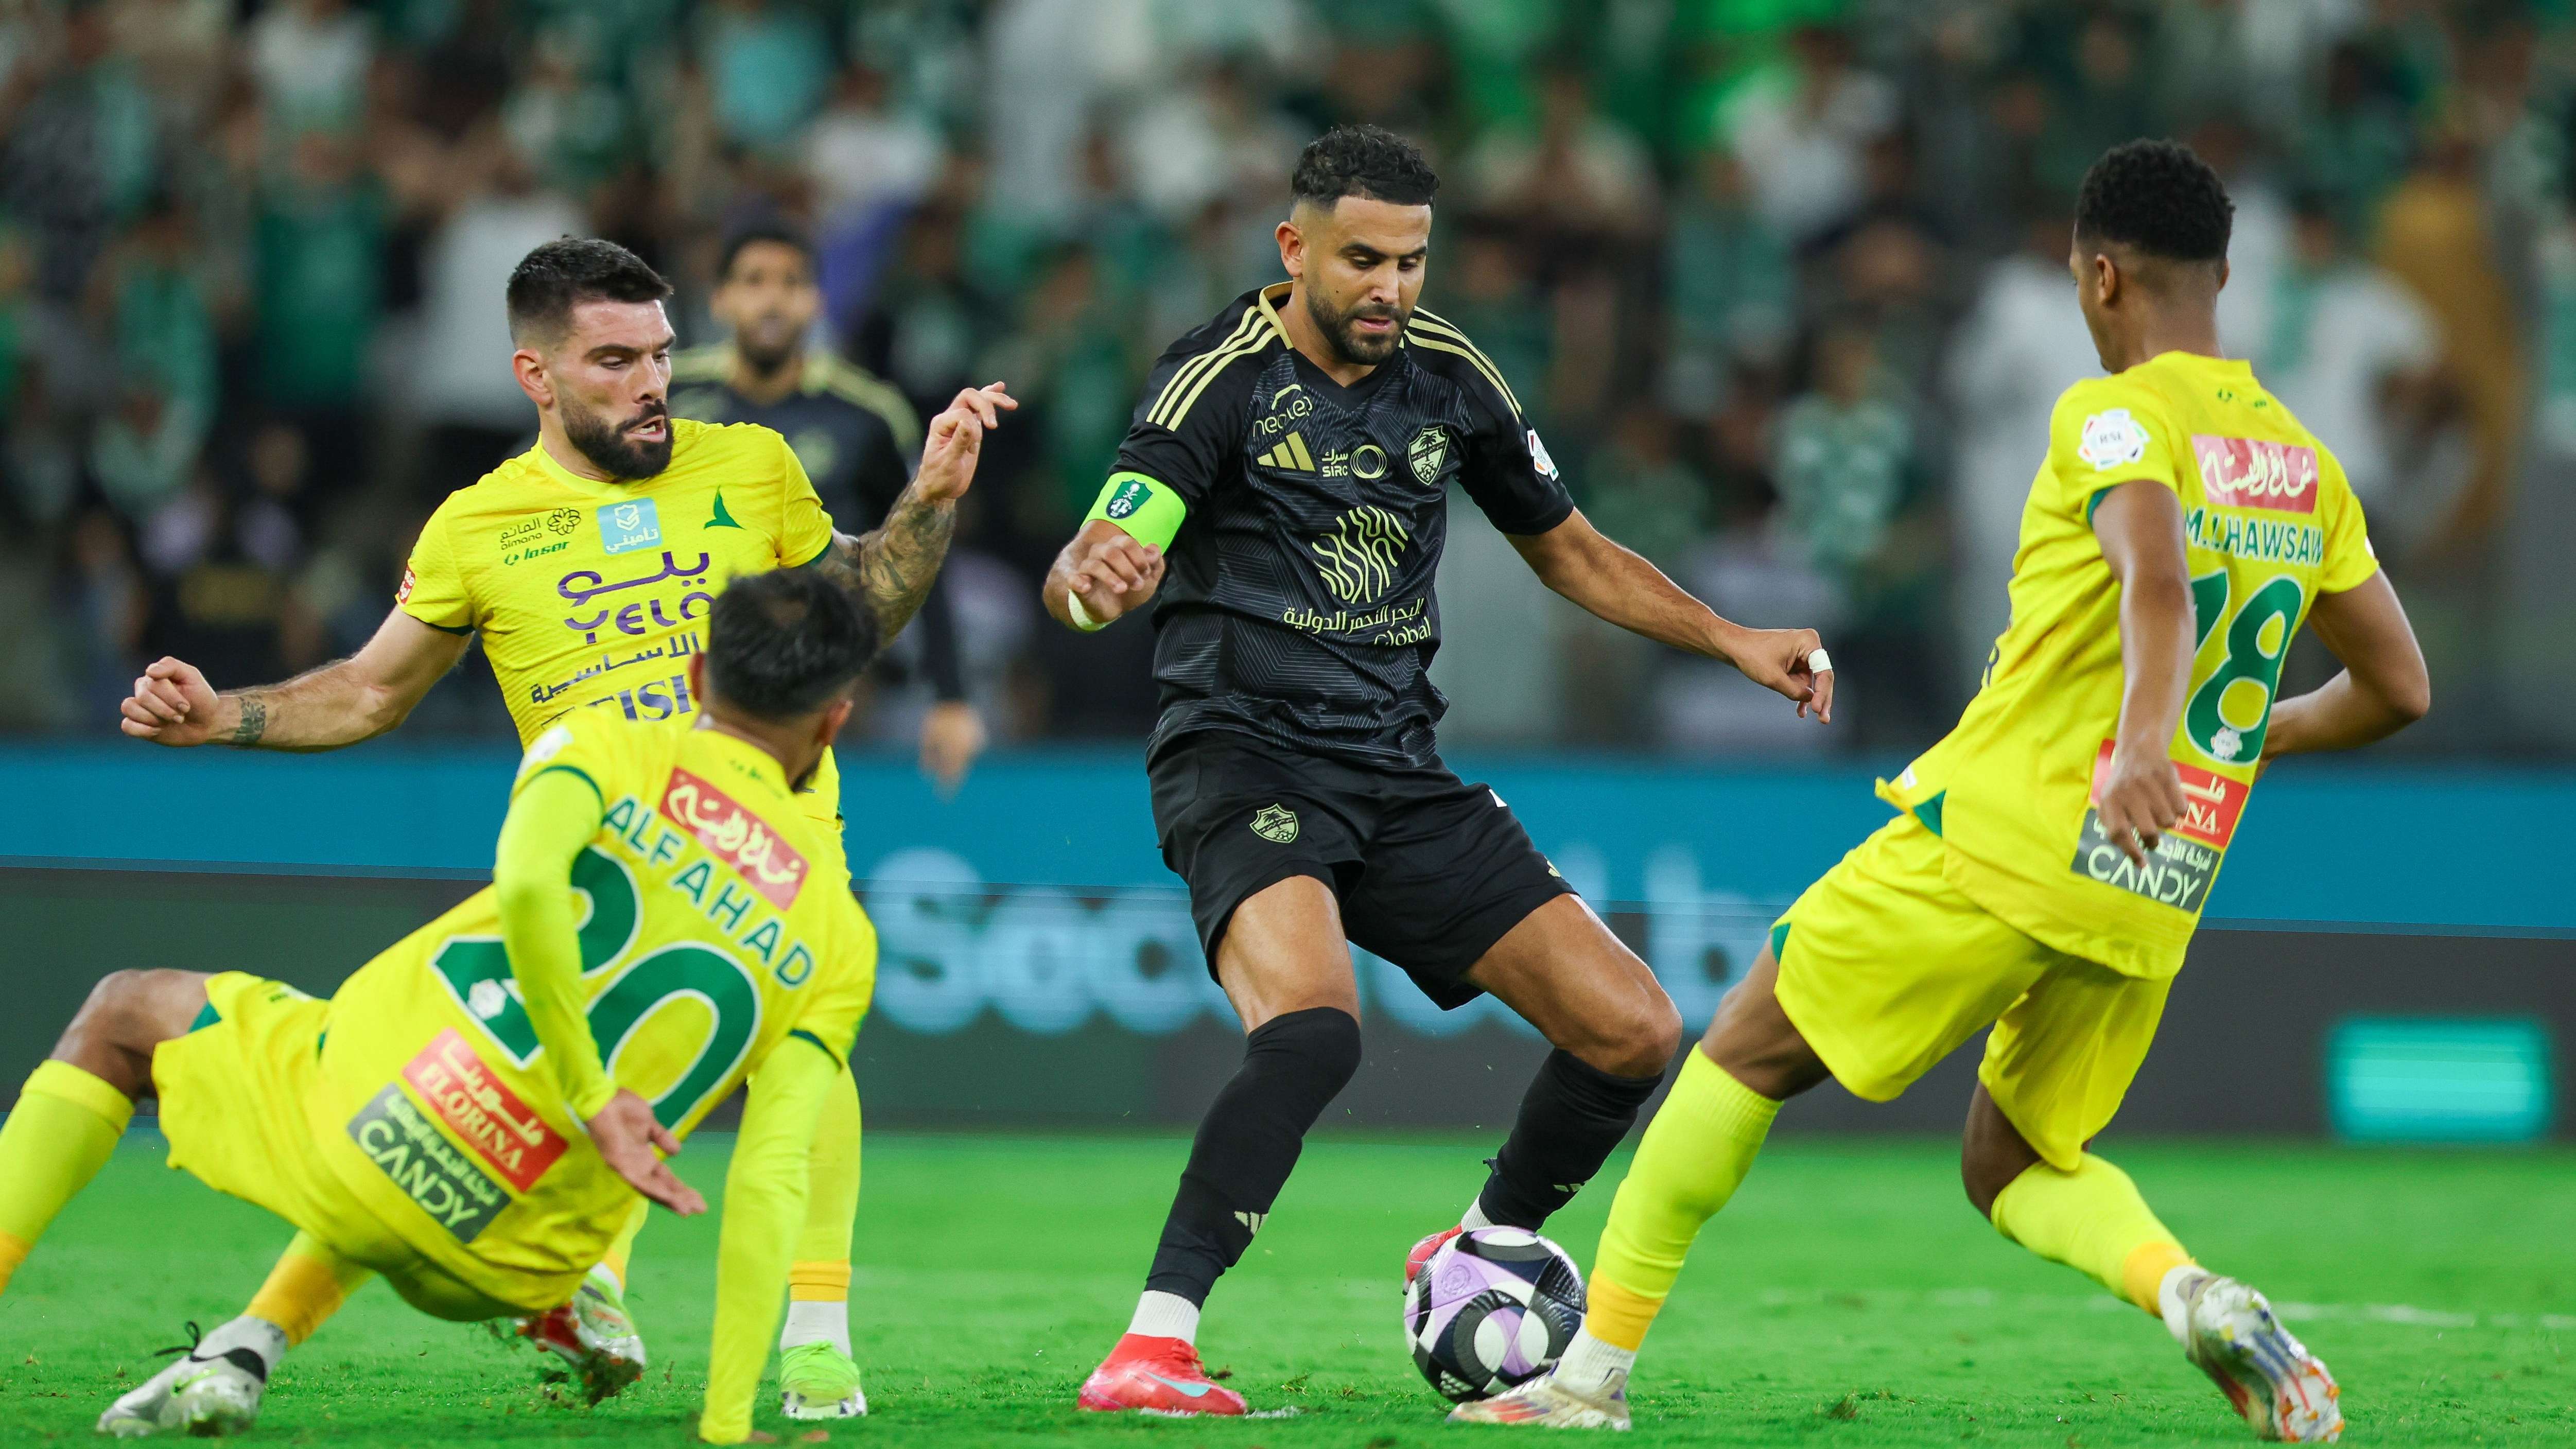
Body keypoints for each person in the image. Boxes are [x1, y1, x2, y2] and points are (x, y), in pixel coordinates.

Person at [1456, 139, 2430, 1441]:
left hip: (2007, 829)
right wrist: (2225, 749)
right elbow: (2395, 689)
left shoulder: (2113, 413)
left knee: (1739, 1048)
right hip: (2154, 877)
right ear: (2222, 274)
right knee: (2012, 1161)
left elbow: (2149, 576)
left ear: (2098, 277)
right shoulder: (2302, 467)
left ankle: (1582, 1383)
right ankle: (2189, 1293)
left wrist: (2144, 738)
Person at [116, 237, 1014, 1425]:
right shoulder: (477, 525)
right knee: (426, 1131)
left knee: (804, 1069)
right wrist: (224, 716)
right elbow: (374, 691)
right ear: (535, 376)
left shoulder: (751, 466)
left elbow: (859, 610)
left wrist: (929, 504)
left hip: (768, 847)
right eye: (613, 360)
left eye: (657, 353)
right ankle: (295, 1335)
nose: (651, 381)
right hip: (591, 876)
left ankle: (809, 1339)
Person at [1042, 124, 1837, 1417]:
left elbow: (1569, 551)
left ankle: (1482, 1241)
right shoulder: (1214, 380)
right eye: (1361, 259)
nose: (1389, 289)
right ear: (1292, 248)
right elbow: (1099, 557)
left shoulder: (1451, 377)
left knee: (1631, 1029)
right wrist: (1089, 583)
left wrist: (1727, 638)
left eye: (1411, 260)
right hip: (1241, 751)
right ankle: (1153, 1343)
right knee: (1308, 1030)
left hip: (1395, 767)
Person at [2, 568, 880, 1445]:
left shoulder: (605, 743)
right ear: (834, 719)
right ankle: (248, 1348)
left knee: (129, 1012)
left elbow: (533, 885)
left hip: (365, 1136)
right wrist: (727, 1426)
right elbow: (771, 1177)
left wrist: (584, 1088)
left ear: (694, 679)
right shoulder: (841, 937)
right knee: (435, 1116)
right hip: (518, 1262)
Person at [671, 222, 989, 791]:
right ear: (720, 298)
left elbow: (919, 547)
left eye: (791, 282)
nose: (772, 298)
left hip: (828, 662)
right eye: (754, 281)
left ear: (816, 300)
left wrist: (950, 696)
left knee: (812, 809)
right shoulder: (672, 400)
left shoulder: (867, 413)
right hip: (690, 648)